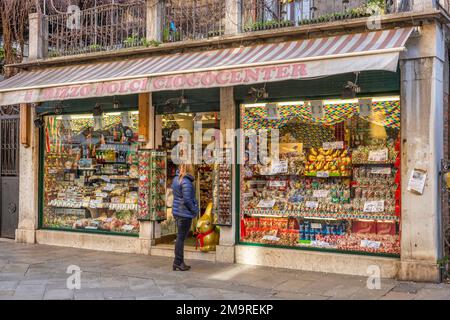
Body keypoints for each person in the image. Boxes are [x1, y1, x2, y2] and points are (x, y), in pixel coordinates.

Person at [171, 163, 199, 271]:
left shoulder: (175, 180)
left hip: (178, 211)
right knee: (181, 238)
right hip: (184, 213)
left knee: (180, 237)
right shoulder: (186, 182)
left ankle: (178, 262)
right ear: (190, 169)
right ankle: (178, 262)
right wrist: (194, 210)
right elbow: (187, 200)